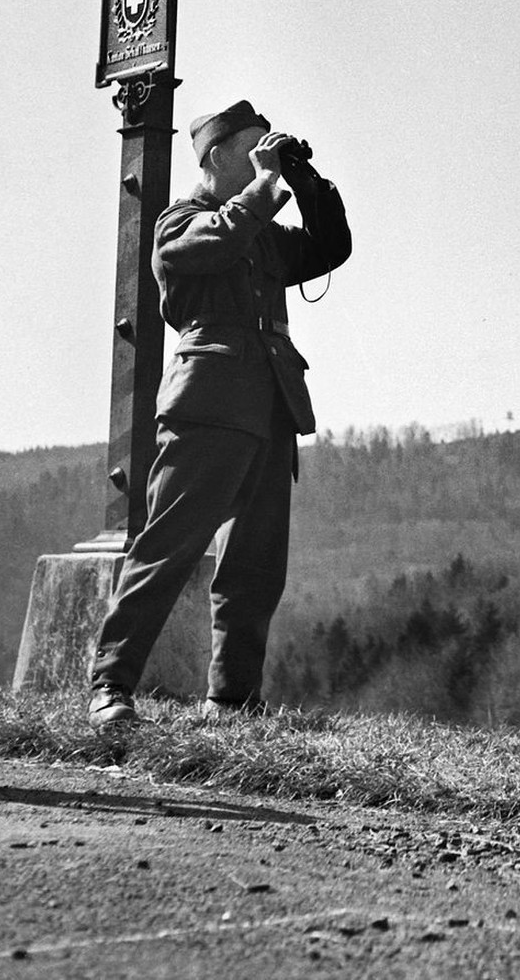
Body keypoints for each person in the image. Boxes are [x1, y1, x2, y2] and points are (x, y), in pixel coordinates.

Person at [88, 99, 352, 729]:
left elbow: (330, 248)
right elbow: (217, 242)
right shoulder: (178, 222)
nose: (265, 156)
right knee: (168, 547)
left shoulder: (259, 224)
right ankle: (111, 685)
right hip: (208, 403)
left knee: (255, 564)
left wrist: (304, 180)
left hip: (270, 404)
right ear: (215, 157)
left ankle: (233, 699)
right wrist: (264, 188)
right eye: (254, 148)